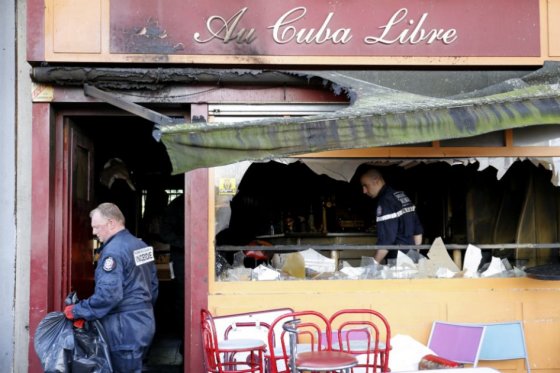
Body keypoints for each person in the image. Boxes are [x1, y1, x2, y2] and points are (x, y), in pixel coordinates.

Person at [63, 202, 159, 373]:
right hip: (144, 322)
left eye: (97, 227)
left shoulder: (112, 252)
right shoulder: (142, 246)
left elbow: (109, 295)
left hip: (123, 328)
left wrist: (78, 310)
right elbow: (153, 285)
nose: (94, 232)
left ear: (111, 223)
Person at [360, 167, 423, 263]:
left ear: (376, 181)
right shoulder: (401, 196)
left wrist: (372, 266)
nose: (364, 191)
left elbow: (386, 241)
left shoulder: (385, 202)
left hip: (397, 262)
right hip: (412, 260)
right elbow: (417, 231)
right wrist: (415, 256)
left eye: (365, 186)